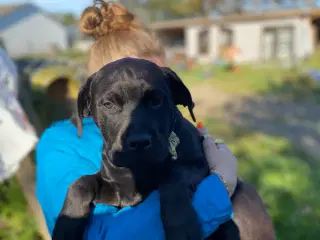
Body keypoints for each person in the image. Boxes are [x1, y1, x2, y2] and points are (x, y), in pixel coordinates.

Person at [36, 1, 237, 239]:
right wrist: (221, 182)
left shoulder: (176, 129)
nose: (139, 123)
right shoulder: (60, 145)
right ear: (93, 98)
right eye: (113, 102)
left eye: (156, 100)